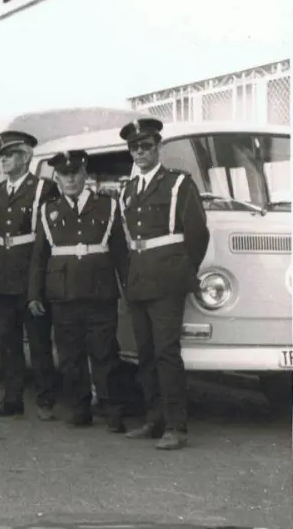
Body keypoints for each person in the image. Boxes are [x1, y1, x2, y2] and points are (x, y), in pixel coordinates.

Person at [118, 118, 210, 450]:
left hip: (167, 280)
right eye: (134, 148)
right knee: (144, 354)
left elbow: (198, 234)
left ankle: (176, 426)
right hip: (139, 279)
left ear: (158, 148)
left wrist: (183, 272)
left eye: (145, 146)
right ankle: (154, 419)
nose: (139, 152)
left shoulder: (178, 184)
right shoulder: (126, 191)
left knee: (166, 353)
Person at [28, 150, 129, 432]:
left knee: (105, 353)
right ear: (57, 178)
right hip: (63, 293)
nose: (70, 179)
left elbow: (121, 252)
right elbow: (39, 256)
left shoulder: (108, 206)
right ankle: (79, 408)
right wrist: (34, 294)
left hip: (100, 291)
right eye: (64, 174)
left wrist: (130, 288)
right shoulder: (48, 211)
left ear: (85, 174)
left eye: (75, 173)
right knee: (70, 356)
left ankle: (112, 411)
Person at [0, 130, 60, 419]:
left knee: (39, 342)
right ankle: (11, 399)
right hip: (3, 274)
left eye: (9, 154)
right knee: (7, 343)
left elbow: (43, 240)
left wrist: (36, 286)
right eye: (0, 155)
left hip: (31, 273)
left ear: (26, 156)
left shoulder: (44, 189)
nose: (3, 160)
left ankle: (45, 400)